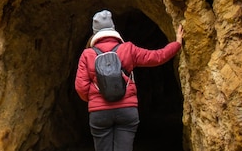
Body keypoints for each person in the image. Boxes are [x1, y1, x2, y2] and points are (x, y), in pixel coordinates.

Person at [75, 10, 184, 151]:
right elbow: (158, 57)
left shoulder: (87, 54)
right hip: (126, 110)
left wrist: (94, 99)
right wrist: (177, 43)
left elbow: (80, 87)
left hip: (99, 113)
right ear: (112, 28)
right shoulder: (128, 49)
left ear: (95, 32)